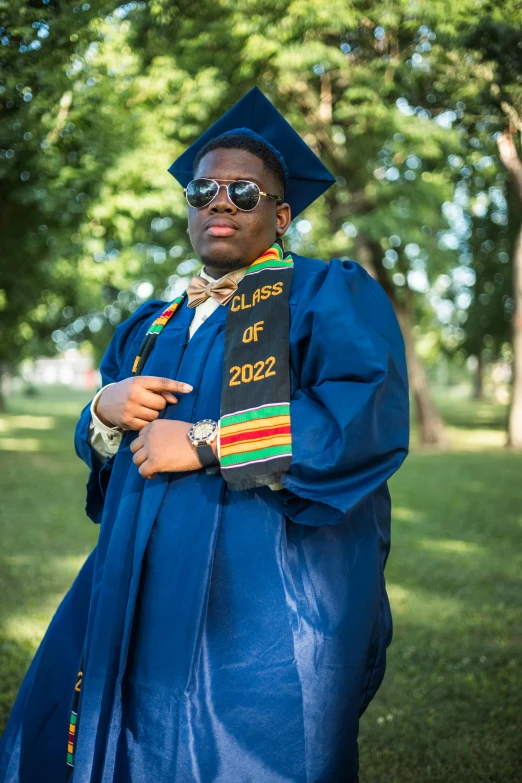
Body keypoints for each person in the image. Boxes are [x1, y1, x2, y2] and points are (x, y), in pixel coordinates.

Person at [0, 87, 409, 783]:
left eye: (244, 191)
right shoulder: (149, 324)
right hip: (137, 567)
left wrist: (202, 440)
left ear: (280, 216)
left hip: (264, 586)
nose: (220, 201)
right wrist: (103, 407)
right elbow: (102, 451)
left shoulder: (320, 293)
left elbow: (359, 414)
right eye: (204, 188)